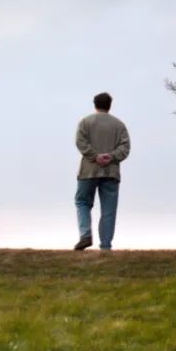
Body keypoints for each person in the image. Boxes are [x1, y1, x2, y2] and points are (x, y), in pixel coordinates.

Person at [73, 92, 131, 250]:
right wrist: (111, 157)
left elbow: (80, 142)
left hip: (88, 171)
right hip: (111, 172)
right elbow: (125, 148)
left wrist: (95, 156)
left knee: (82, 202)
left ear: (95, 104)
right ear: (109, 105)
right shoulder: (119, 125)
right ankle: (105, 246)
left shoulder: (85, 122)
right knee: (109, 210)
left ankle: (85, 235)